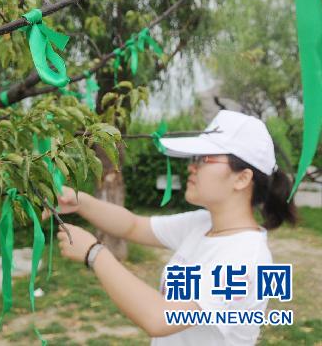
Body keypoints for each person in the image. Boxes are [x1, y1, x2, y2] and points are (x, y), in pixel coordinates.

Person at [43, 110, 297, 345]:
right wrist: (80, 202)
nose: (191, 167)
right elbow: (133, 226)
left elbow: (160, 318)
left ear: (242, 178)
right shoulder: (204, 223)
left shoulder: (244, 258)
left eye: (205, 158)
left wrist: (94, 253)